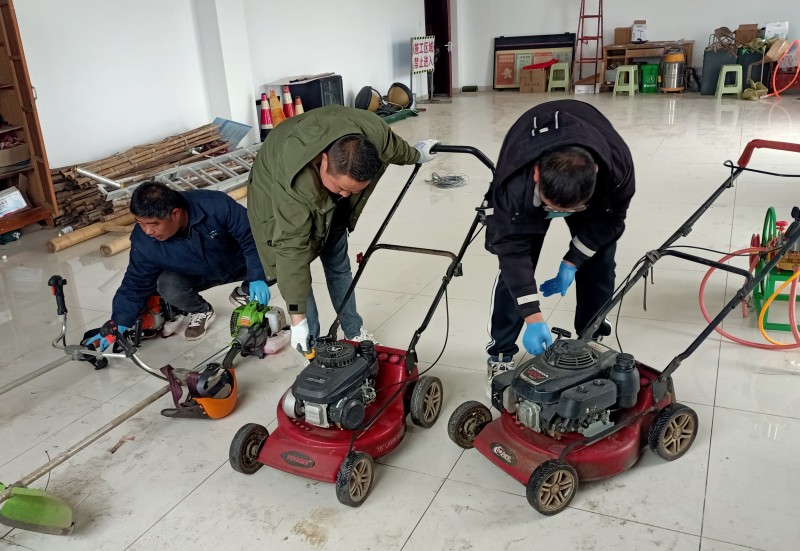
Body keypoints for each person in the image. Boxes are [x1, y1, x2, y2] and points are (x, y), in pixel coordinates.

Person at [247, 104, 438, 354]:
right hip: (275, 187)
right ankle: (310, 344)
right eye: (340, 187)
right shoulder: (294, 184)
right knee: (297, 266)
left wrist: (417, 154)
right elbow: (291, 251)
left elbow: (395, 149)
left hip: (319, 180)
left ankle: (354, 332)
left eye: (353, 191)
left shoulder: (375, 135)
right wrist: (297, 320)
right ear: (324, 160)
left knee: (338, 263)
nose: (346, 195)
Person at [484, 99, 635, 388]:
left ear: (595, 172)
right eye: (552, 207)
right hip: (526, 164)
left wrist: (573, 260)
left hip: (593, 164)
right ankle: (501, 353)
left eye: (571, 210)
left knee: (600, 262)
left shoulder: (617, 170)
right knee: (515, 274)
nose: (560, 214)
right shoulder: (513, 185)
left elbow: (611, 222)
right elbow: (512, 251)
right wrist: (533, 317)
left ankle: (591, 338)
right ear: (536, 173)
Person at [88, 181, 270, 351]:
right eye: (140, 223)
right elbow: (135, 283)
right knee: (166, 284)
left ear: (175, 214)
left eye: (153, 224)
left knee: (278, 258)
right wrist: (119, 321)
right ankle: (201, 311)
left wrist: (256, 277)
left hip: (238, 262)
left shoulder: (215, 205)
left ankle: (245, 291)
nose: (148, 231)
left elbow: (252, 238)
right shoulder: (144, 242)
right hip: (196, 274)